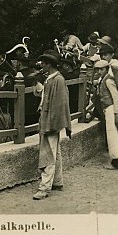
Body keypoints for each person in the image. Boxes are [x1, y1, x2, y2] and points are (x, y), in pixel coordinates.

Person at [32, 50, 72, 200]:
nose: (41, 66)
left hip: (51, 121)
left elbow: (61, 104)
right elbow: (43, 97)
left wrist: (52, 124)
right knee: (55, 152)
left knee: (47, 154)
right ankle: (57, 181)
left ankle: (44, 188)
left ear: (49, 64)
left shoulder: (58, 80)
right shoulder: (50, 79)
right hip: (47, 119)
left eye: (43, 63)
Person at [93, 59, 118, 170]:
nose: (99, 72)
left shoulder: (108, 80)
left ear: (106, 69)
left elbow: (117, 98)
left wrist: (116, 114)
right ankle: (116, 160)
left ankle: (117, 162)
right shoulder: (103, 79)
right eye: (97, 70)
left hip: (111, 109)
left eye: (101, 69)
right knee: (111, 134)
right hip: (107, 109)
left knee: (112, 135)